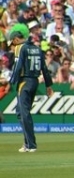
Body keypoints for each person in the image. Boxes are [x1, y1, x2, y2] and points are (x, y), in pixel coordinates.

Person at [6, 24, 54, 152]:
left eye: (13, 42)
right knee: (20, 112)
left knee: (24, 113)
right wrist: (48, 85)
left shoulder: (20, 48)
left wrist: (11, 82)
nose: (13, 45)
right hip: (34, 82)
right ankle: (27, 143)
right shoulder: (37, 48)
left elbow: (18, 66)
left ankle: (31, 144)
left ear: (16, 38)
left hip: (24, 82)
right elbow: (44, 68)